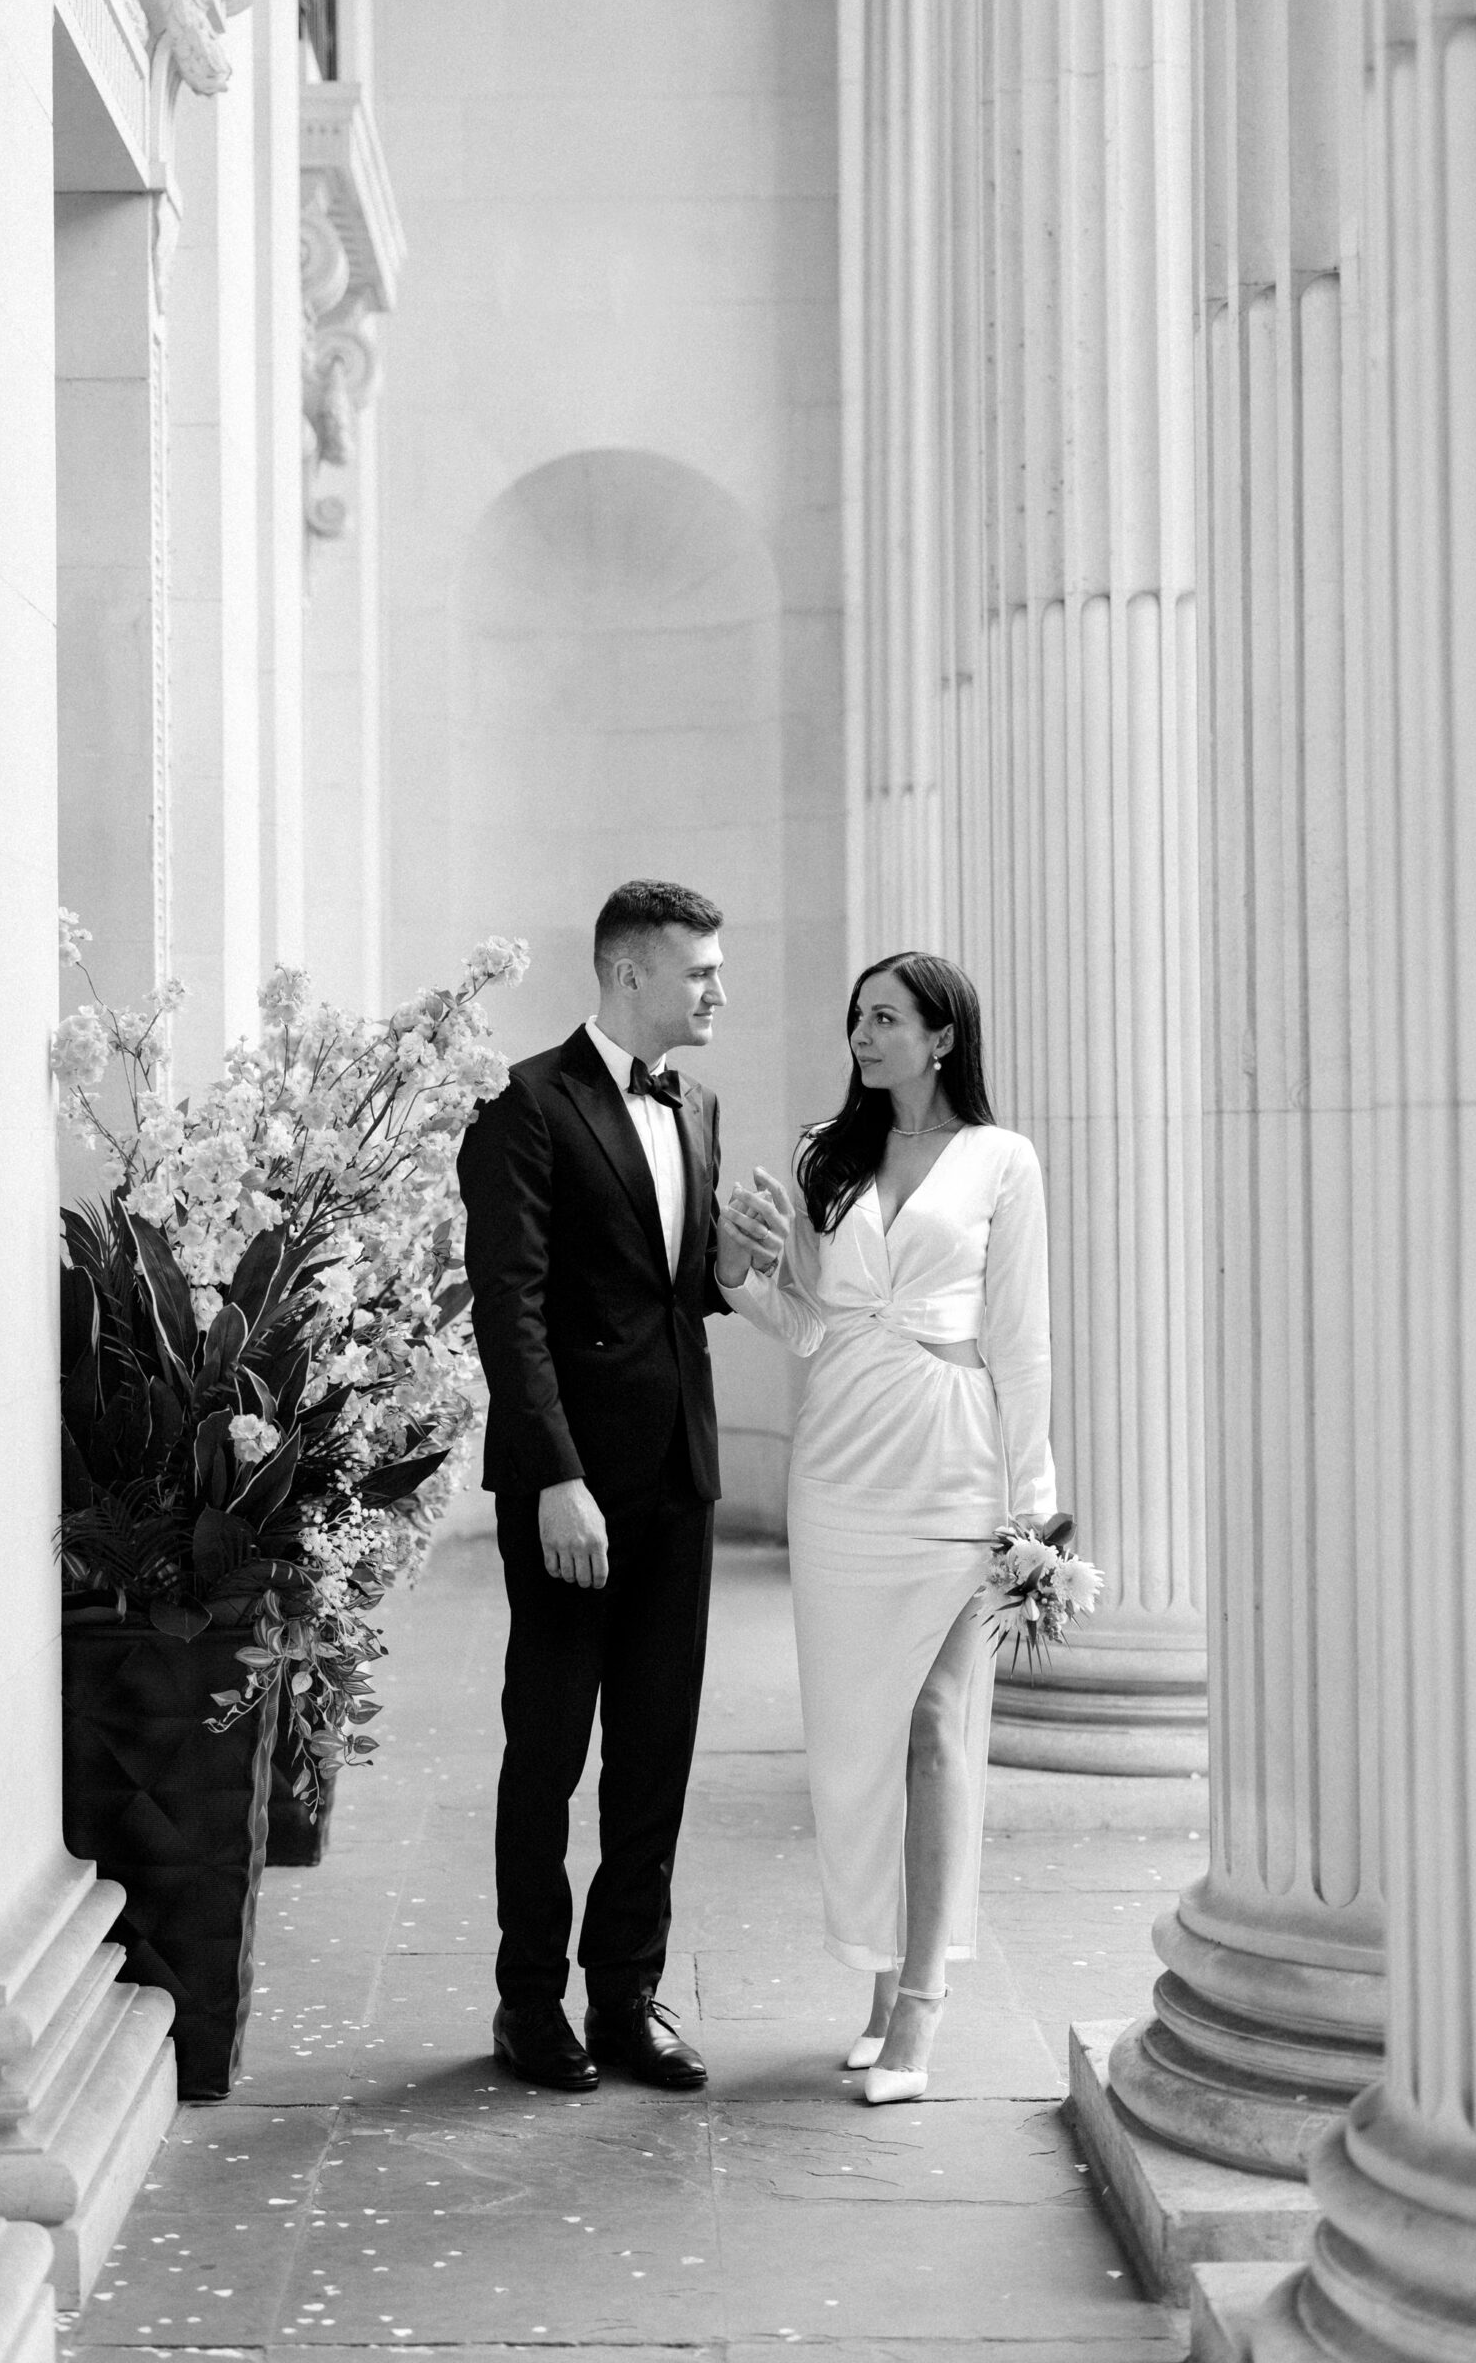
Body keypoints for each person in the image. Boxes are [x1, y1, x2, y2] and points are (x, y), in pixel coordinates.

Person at [456, 878, 783, 2093]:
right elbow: (514, 1307)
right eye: (700, 972)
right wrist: (555, 1478)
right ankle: (528, 1999)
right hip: (570, 1486)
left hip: (677, 1475)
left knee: (656, 1747)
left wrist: (732, 1259)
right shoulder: (524, 1105)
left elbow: (674, 1285)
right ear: (630, 972)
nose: (719, 992)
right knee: (548, 1745)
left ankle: (626, 1999)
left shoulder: (696, 1103)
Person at [719, 951, 1055, 2104]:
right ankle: (872, 1983)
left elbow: (1021, 1344)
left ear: (942, 1036)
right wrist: (738, 1263)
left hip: (954, 1465)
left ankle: (919, 2006)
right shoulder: (834, 1157)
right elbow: (809, 1325)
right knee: (858, 1739)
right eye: (856, 1015)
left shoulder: (1003, 1161)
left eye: (885, 1017)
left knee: (934, 1725)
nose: (862, 1034)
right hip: (841, 1468)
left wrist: (1032, 1510)